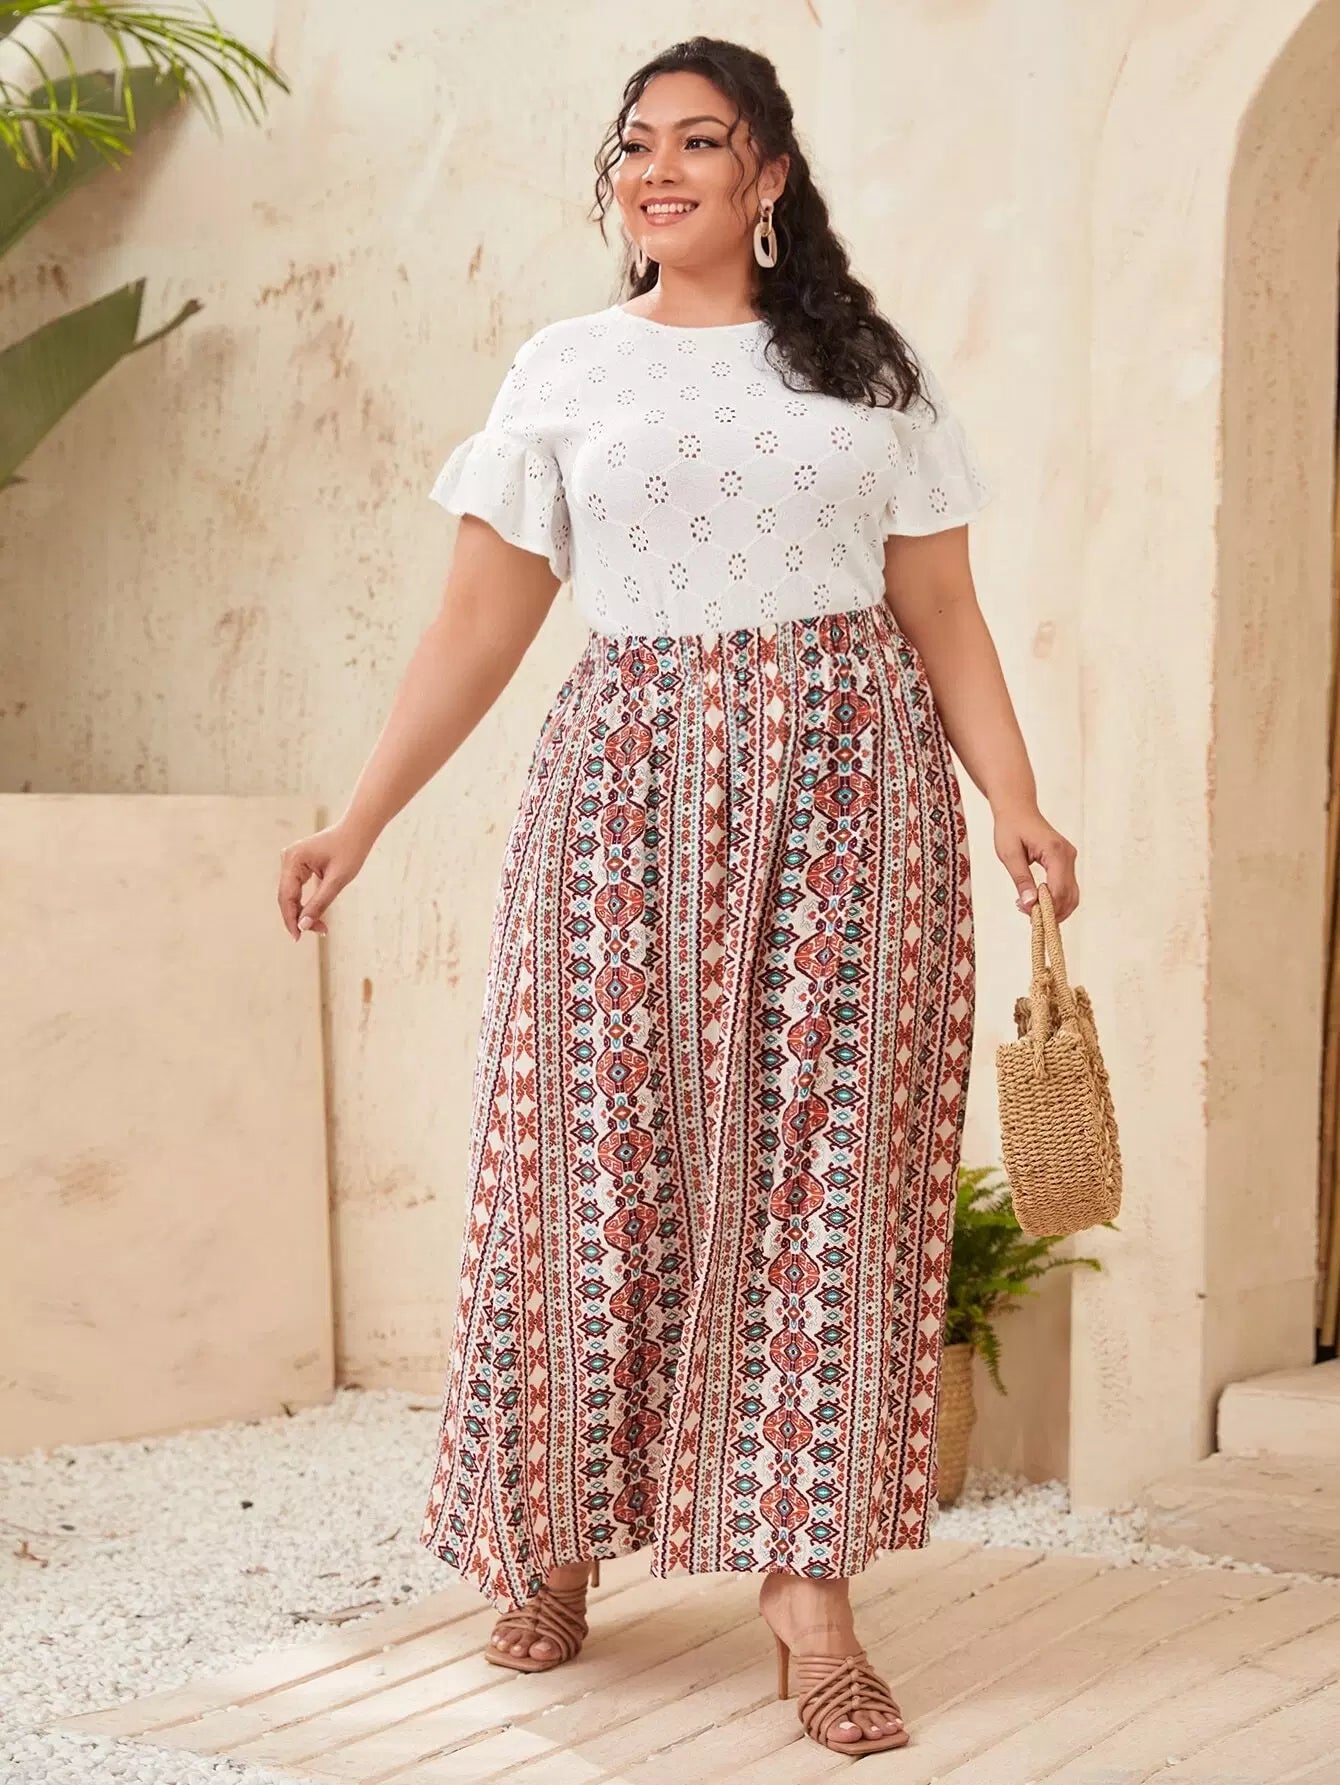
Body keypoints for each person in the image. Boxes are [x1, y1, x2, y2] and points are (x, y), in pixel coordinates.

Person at [276, 35, 1078, 1760]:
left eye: (700, 143)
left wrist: (1014, 799)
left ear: (768, 176)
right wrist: (358, 819)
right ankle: (552, 1537)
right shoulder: (566, 367)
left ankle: (811, 1607)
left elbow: (942, 611)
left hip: (855, 797)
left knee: (829, 1187)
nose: (657, 169)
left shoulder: (869, 370)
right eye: (635, 143)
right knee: (586, 1159)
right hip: (624, 790)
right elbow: (478, 623)